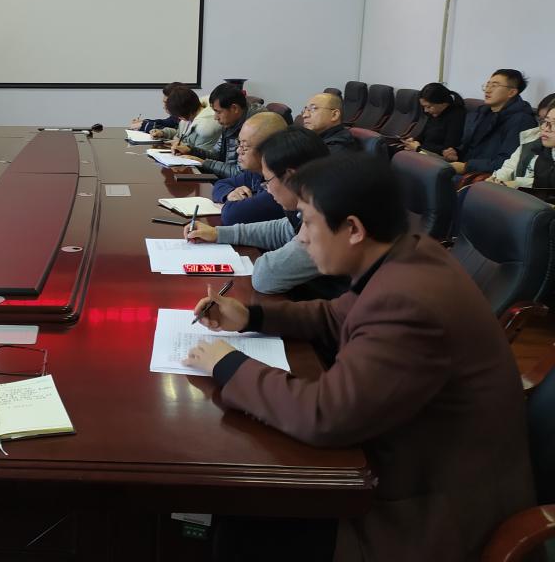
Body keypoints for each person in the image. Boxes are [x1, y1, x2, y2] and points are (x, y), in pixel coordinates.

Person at [183, 153, 533, 562]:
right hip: (411, 464)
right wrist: (251, 316)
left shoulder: (409, 302)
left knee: (242, 525)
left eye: (308, 223)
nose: (302, 238)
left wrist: (227, 365)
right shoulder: (408, 252)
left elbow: (325, 416)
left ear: (353, 229)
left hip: (427, 515)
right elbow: (336, 315)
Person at [187, 127, 349, 300]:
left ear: (291, 177)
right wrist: (218, 233)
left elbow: (264, 277)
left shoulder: (326, 220)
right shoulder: (320, 198)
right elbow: (284, 229)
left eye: (268, 181)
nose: (267, 189)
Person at [445, 68, 536, 176]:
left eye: (494, 86)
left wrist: (467, 166)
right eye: (488, 85)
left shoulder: (522, 120)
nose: (487, 90)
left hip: (488, 176)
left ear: (511, 92)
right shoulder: (483, 111)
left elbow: (507, 162)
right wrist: (456, 152)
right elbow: (472, 146)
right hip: (467, 168)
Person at [211, 111, 288, 224]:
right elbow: (220, 184)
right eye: (239, 143)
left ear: (268, 150)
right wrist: (230, 193)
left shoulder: (280, 184)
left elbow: (231, 215)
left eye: (245, 146)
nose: (238, 150)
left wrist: (235, 203)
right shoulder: (256, 172)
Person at [176, 83, 256, 178]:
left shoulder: (255, 129)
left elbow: (242, 174)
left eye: (218, 112)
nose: (215, 117)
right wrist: (191, 150)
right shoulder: (230, 123)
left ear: (234, 108)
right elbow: (216, 155)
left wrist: (204, 163)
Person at [489, 92, 555, 188]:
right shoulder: (532, 139)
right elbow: (509, 167)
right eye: (543, 121)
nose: (545, 128)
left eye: (553, 123)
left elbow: (543, 184)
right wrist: (497, 179)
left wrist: (517, 184)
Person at [147, 84, 219, 154]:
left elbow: (202, 154)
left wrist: (182, 147)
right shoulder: (188, 119)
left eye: (178, 116)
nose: (178, 118)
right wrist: (163, 133)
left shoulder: (206, 128)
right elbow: (181, 135)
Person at [401, 82, 466, 155]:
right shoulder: (434, 112)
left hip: (436, 156)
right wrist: (414, 140)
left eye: (428, 107)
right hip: (424, 151)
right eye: (423, 106)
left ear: (443, 103)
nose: (425, 110)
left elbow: (448, 149)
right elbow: (425, 134)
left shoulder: (457, 115)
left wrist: (419, 148)